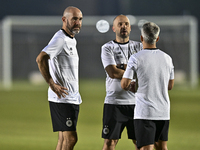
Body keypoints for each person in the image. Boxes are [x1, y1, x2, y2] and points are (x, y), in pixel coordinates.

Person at [121, 22, 174, 150]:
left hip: (145, 112)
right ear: (157, 38)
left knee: (146, 148)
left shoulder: (135, 58)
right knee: (162, 147)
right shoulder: (167, 58)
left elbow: (124, 84)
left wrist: (133, 86)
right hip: (163, 112)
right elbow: (170, 85)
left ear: (141, 38)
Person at [36, 6, 83, 150]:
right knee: (71, 139)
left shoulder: (70, 39)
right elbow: (41, 58)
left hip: (70, 97)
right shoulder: (60, 38)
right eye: (74, 19)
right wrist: (51, 83)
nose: (78, 22)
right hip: (62, 97)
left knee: (63, 140)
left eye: (80, 19)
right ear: (64, 19)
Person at [101, 14, 143, 150]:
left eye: (126, 24)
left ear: (130, 28)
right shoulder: (107, 48)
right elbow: (112, 72)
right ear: (114, 28)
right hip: (114, 103)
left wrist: (123, 70)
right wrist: (133, 73)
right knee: (110, 143)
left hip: (137, 103)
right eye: (120, 24)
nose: (123, 26)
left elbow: (145, 71)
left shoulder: (140, 47)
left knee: (140, 142)